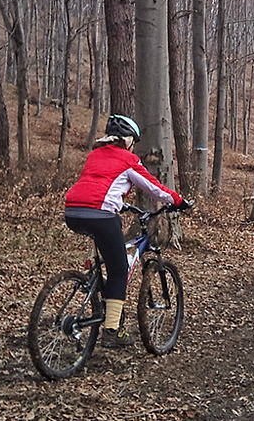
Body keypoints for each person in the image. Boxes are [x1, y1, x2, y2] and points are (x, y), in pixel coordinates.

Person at [64, 114, 189, 348]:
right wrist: (178, 200)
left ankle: (96, 289)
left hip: (72, 211)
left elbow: (98, 184)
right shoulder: (128, 159)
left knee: (106, 259)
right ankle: (111, 330)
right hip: (101, 214)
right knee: (119, 269)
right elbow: (153, 186)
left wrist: (119, 204)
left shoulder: (94, 155)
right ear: (128, 139)